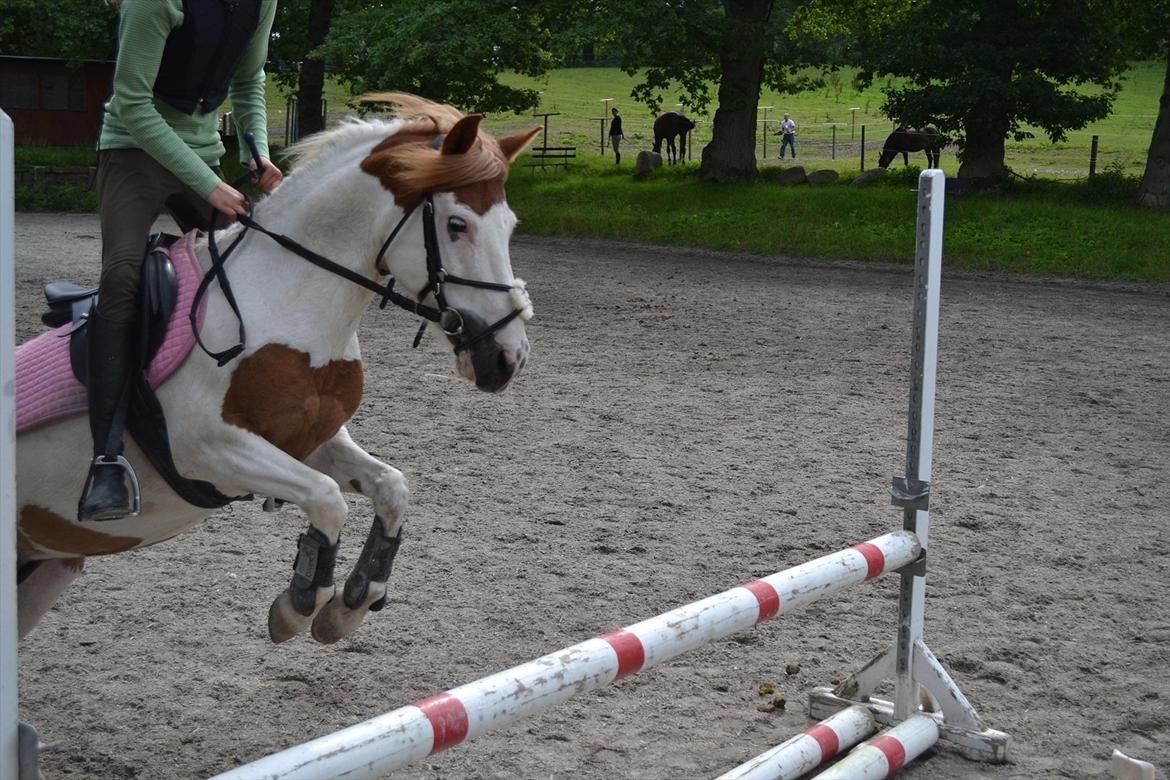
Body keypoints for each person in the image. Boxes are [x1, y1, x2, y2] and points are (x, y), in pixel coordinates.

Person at [80, 0, 283, 522]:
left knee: (263, 261)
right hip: (132, 151)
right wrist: (207, 185)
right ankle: (106, 457)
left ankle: (276, 424)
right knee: (121, 277)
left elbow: (249, 78)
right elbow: (131, 104)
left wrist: (256, 148)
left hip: (204, 157)